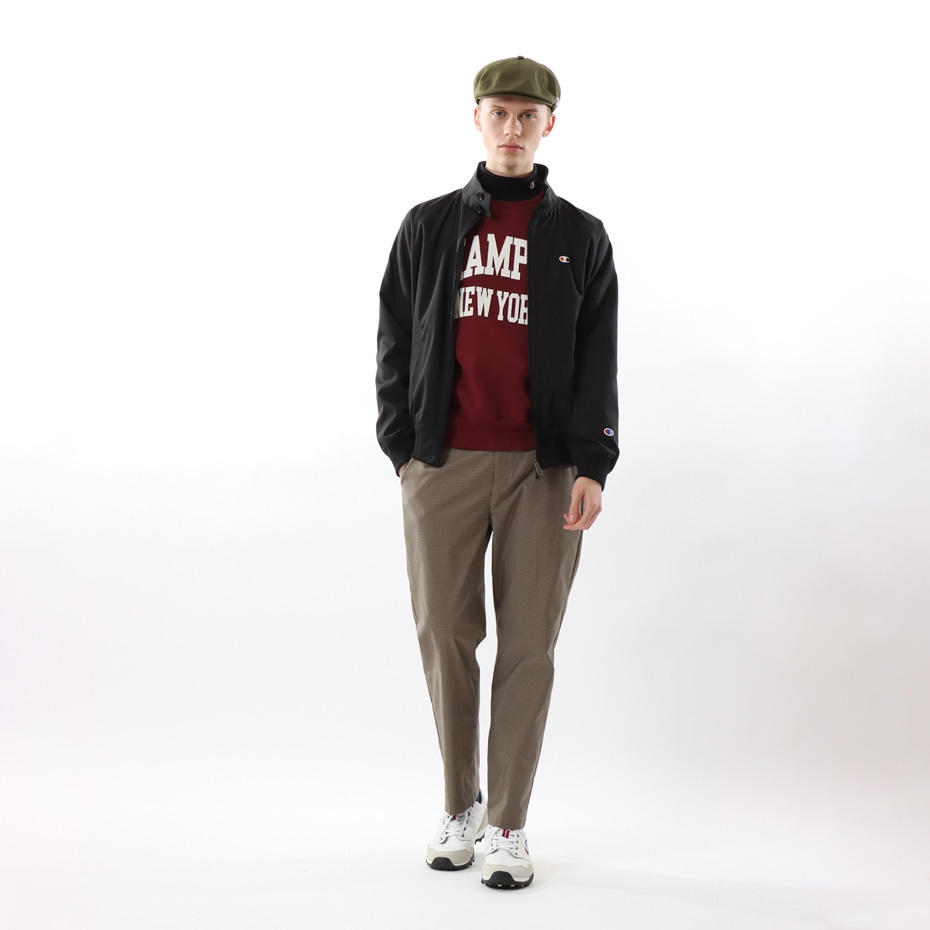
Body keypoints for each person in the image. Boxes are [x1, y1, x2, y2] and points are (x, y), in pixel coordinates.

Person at [376, 55, 618, 889]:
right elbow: (394, 337)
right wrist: (403, 448)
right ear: (476, 119)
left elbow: (598, 360)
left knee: (527, 647)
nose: (512, 128)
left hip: (542, 471)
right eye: (499, 113)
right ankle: (461, 806)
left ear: (549, 125)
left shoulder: (579, 237)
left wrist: (593, 462)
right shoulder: (430, 225)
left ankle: (510, 823)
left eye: (527, 116)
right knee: (445, 635)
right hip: (440, 463)